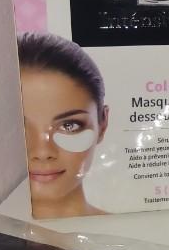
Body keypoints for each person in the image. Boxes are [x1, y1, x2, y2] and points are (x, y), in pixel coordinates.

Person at [17, 33, 109, 219]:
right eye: (17, 127)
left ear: (103, 124)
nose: (42, 153)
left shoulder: (136, 232)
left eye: (69, 125)